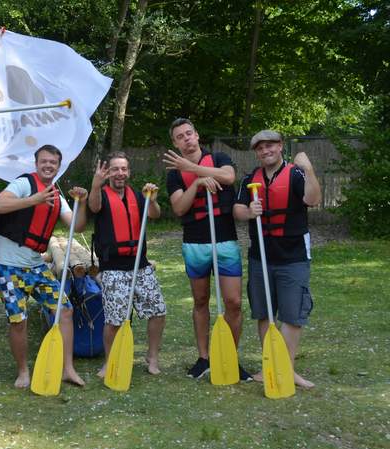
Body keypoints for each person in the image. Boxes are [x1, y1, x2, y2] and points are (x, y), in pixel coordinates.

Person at [0, 144, 87, 389]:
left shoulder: (57, 195)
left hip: (34, 266)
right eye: (44, 161)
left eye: (53, 162)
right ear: (36, 163)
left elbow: (78, 225)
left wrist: (82, 203)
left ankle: (67, 368)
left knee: (65, 309)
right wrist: (33, 200)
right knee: (18, 320)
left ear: (58, 166)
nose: (48, 165)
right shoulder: (23, 184)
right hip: (6, 266)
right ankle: (23, 371)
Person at [163, 118, 251, 381]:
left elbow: (229, 176)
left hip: (225, 240)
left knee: (233, 302)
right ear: (175, 143)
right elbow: (179, 208)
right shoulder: (174, 174)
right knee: (201, 300)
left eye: (189, 133)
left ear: (197, 135)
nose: (186, 139)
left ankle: (230, 357)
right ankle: (203, 358)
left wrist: (196, 169)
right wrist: (196, 183)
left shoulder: (219, 156)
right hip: (195, 242)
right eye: (180, 137)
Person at [233, 130, 321, 389]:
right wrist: (249, 211)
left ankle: (288, 369)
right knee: (264, 313)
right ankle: (269, 366)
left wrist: (309, 168)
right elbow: (237, 210)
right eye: (260, 148)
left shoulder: (296, 174)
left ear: (280, 146)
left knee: (293, 316)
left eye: (270, 145)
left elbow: (313, 199)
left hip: (293, 255)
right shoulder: (250, 179)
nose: (265, 151)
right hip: (261, 256)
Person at [89, 152, 166, 376]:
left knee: (158, 311)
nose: (119, 173)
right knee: (114, 320)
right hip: (113, 268)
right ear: (108, 173)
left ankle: (152, 357)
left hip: (140, 266)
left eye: (123, 169)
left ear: (129, 171)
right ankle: (110, 361)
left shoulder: (138, 195)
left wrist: (152, 199)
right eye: (115, 169)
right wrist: (95, 184)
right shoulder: (101, 194)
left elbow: (155, 214)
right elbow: (93, 208)